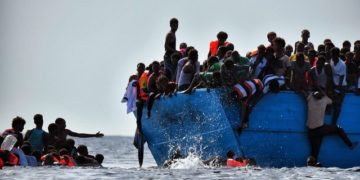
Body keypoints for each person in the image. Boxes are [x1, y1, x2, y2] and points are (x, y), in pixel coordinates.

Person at [306, 91, 357, 166]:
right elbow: (333, 102)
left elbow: (307, 93)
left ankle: (311, 167)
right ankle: (350, 145)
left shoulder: (310, 97)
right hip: (320, 129)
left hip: (311, 131)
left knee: (314, 153)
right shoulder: (325, 99)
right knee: (338, 128)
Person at [329, 47, 347, 125]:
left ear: (337, 55)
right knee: (331, 102)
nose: (332, 57)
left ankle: (334, 124)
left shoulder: (342, 65)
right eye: (331, 55)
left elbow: (341, 81)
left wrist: (336, 91)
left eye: (334, 55)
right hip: (333, 85)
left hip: (341, 86)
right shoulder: (331, 61)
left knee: (337, 105)